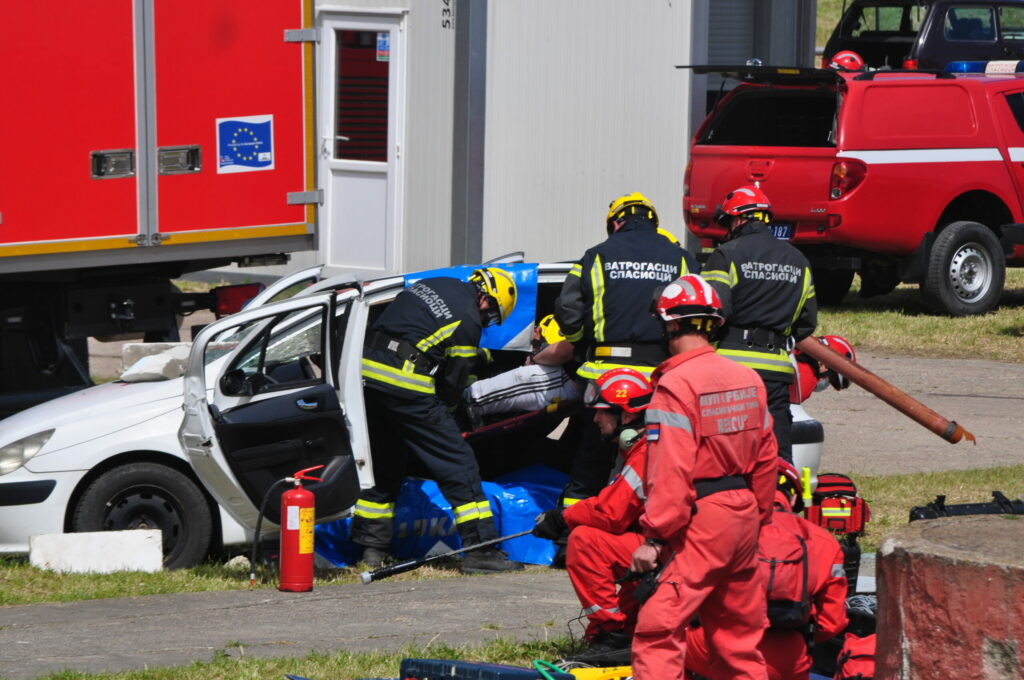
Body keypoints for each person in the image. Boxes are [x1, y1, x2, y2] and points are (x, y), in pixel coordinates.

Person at [629, 273, 778, 680]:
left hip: (702, 520)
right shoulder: (748, 378)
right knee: (737, 640)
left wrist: (655, 537)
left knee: (658, 630)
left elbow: (671, 469)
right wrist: (758, 516)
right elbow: (767, 458)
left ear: (670, 324)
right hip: (744, 516)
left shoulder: (675, 386)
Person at [352, 267, 522, 574]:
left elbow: (417, 330)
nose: (486, 322)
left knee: (384, 463)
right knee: (459, 464)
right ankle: (480, 550)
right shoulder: (468, 319)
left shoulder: (434, 283)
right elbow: (453, 383)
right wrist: (449, 416)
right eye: (491, 317)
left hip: (367, 380)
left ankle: (371, 550)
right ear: (486, 299)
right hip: (406, 386)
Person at [554, 192, 699, 509]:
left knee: (591, 459)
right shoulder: (682, 258)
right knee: (654, 459)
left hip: (604, 375)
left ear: (616, 223)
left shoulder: (596, 255)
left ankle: (573, 527)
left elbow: (567, 308)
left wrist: (581, 342)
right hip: (659, 379)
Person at [532, 367, 653, 667]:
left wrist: (563, 518)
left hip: (673, 551)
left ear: (626, 416)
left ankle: (612, 634)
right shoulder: (643, 448)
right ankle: (618, 635)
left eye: (602, 412)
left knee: (586, 541)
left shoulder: (648, 453)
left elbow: (611, 512)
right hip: (668, 547)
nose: (596, 419)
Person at [685, 460, 850, 680]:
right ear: (793, 499)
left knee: (665, 645)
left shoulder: (713, 526)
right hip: (788, 657)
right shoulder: (823, 541)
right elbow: (832, 622)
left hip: (716, 647)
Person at [701, 185, 817, 463]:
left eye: (727, 223)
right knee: (776, 454)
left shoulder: (726, 254)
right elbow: (806, 322)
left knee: (725, 452)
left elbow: (710, 311)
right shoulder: (798, 260)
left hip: (730, 368)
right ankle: (780, 491)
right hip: (775, 371)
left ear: (738, 219)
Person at [461, 315, 578, 427]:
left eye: (537, 343)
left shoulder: (546, 370)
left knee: (471, 398)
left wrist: (535, 357)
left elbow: (561, 352)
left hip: (565, 379)